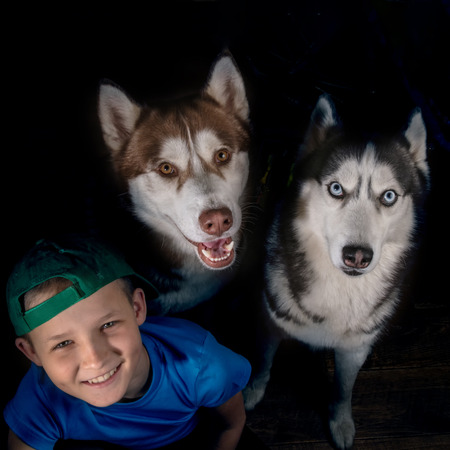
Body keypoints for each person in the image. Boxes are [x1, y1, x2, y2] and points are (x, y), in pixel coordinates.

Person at [4, 234, 252, 450]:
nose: (95, 359)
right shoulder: (40, 401)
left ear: (137, 308)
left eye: (107, 325)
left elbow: (229, 426)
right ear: (32, 353)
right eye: (63, 343)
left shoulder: (200, 365)